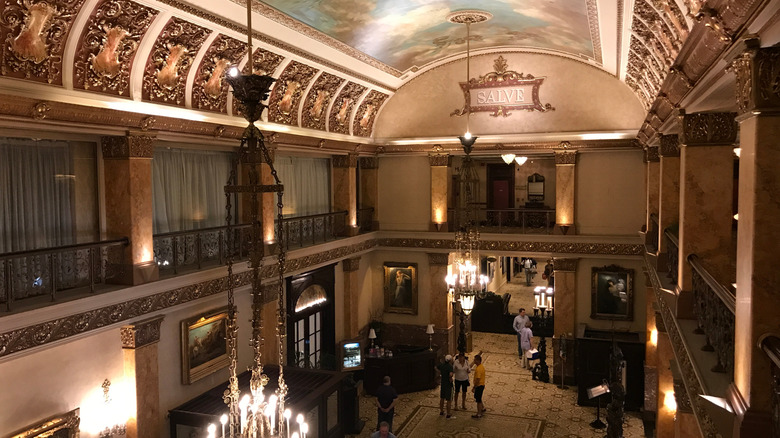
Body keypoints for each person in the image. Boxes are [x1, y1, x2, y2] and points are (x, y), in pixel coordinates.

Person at [471, 354, 486, 418]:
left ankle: (479, 413)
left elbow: (478, 379)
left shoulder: (478, 369)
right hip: (482, 385)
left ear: (477, 360)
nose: (474, 361)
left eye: (474, 360)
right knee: (479, 397)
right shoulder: (481, 367)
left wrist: (474, 386)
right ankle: (482, 407)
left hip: (479, 385)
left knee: (478, 400)